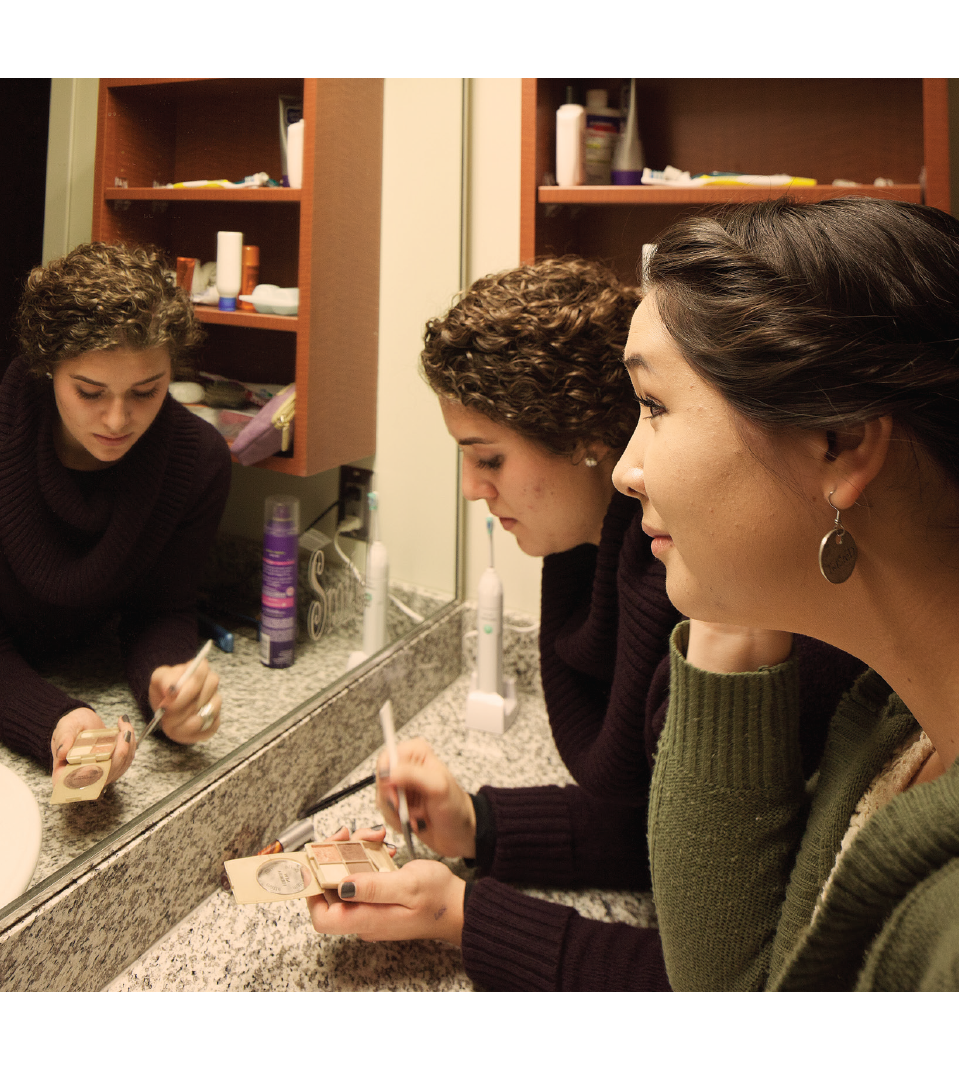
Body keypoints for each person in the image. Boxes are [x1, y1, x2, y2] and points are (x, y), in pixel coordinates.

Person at [305, 257, 862, 990]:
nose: (472, 488)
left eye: (489, 458)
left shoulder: (713, 603)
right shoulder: (600, 568)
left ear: (581, 438)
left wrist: (466, 918)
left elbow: (745, 982)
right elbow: (678, 828)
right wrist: (481, 824)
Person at [610, 196, 959, 990]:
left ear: (839, 442)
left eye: (653, 406)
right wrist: (728, 597)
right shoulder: (900, 723)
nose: (624, 469)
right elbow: (743, 988)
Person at [0, 242, 231, 799]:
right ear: (48, 367)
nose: (117, 419)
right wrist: (60, 722)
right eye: (89, 392)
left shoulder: (197, 461)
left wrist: (166, 679)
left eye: (146, 391)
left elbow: (162, 608)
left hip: (68, 669)